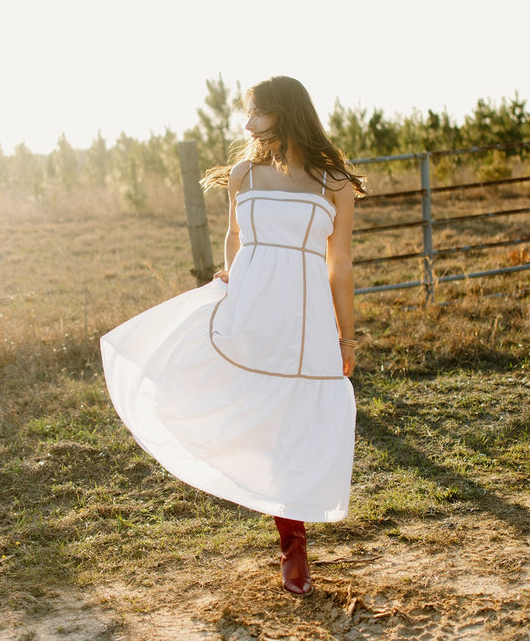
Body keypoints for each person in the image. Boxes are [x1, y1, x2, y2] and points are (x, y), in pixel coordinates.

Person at [100, 75, 365, 597]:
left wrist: (347, 336)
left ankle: (296, 531)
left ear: (285, 113)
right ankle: (293, 545)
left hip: (307, 317)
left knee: (297, 421)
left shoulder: (332, 182)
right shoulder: (244, 173)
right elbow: (235, 236)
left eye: (258, 113)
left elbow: (340, 263)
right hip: (251, 305)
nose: (248, 124)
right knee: (257, 417)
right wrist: (227, 282)